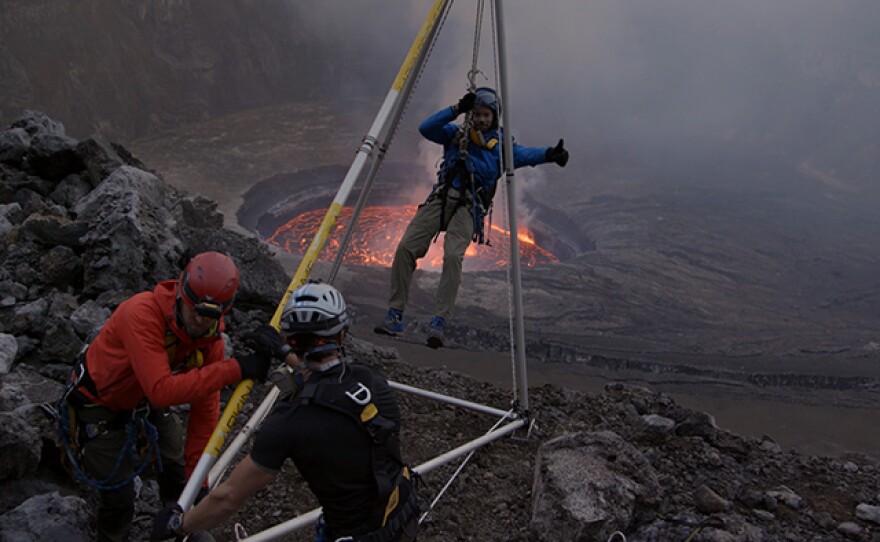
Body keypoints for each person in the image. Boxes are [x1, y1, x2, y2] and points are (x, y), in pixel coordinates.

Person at [151, 282, 419, 542]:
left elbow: (228, 497)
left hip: (353, 534)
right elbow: (328, 378)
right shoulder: (372, 381)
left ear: (290, 337)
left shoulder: (288, 421)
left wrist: (178, 524)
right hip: (402, 514)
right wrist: (285, 353)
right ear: (341, 334)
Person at [59, 251, 285, 542]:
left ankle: (175, 525)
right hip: (99, 403)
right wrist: (236, 369)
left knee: (176, 467)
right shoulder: (141, 314)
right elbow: (161, 391)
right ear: (181, 292)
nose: (200, 322)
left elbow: (204, 413)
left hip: (141, 400)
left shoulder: (209, 341)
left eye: (210, 317)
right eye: (195, 311)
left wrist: (199, 483)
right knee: (119, 497)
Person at [374, 87, 569, 347]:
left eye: (486, 114)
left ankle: (439, 321)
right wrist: (456, 109)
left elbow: (525, 155)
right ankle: (394, 314)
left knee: (453, 256)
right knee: (405, 248)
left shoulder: (501, 149)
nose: (481, 119)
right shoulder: (456, 135)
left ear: (495, 116)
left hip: (468, 208)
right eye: (476, 114)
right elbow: (426, 128)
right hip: (441, 200)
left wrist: (549, 154)